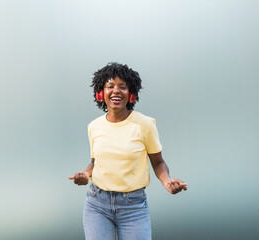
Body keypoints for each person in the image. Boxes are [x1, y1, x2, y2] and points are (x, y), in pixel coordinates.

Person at [69, 62, 187, 240]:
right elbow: (95, 162)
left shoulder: (145, 124)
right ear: (101, 93)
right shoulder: (94, 126)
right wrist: (86, 174)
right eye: (110, 86)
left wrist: (166, 180)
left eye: (122, 87)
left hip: (133, 207)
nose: (116, 90)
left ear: (131, 94)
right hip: (97, 205)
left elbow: (158, 162)